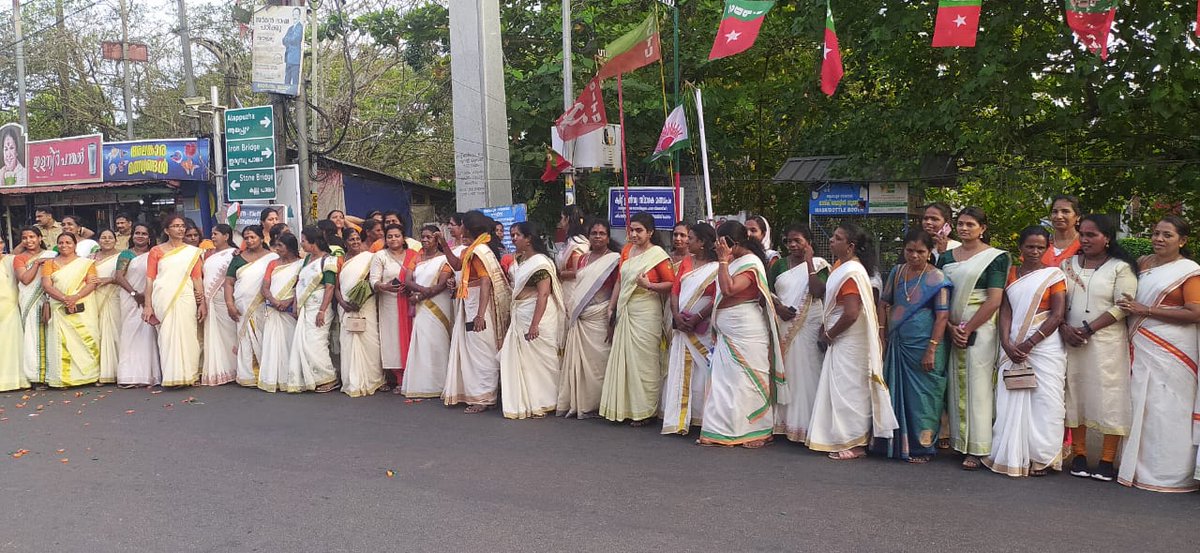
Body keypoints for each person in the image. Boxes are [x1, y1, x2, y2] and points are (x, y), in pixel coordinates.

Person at [1115, 216, 1200, 492]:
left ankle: (1169, 474)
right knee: (1142, 404)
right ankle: (1135, 469)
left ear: (1182, 241)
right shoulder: (1143, 264)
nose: (1159, 239)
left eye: (1167, 235)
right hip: (1140, 344)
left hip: (1173, 349)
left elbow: (1194, 313)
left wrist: (1146, 311)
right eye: (1155, 233)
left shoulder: (1189, 271)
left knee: (1169, 410)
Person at [808, 222, 898, 459]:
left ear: (850, 246)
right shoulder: (842, 267)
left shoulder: (852, 272)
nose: (831, 240)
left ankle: (856, 443)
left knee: (850, 390)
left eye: (837, 238)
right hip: (841, 338)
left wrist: (829, 334)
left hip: (849, 339)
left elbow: (851, 313)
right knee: (841, 388)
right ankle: (841, 438)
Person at [1059, 214, 1139, 482]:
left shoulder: (1121, 268)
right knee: (1075, 393)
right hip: (1071, 341)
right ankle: (1079, 455)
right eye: (1082, 234)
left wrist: (1089, 328)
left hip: (1107, 343)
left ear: (1107, 238)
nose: (1085, 239)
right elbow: (1056, 302)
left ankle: (1107, 460)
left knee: (1110, 397)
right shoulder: (1067, 265)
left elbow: (1123, 306)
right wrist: (1064, 328)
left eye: (1092, 235)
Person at [985, 226, 1067, 477]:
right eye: (1030, 246)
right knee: (1009, 396)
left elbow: (1057, 315)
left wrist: (1029, 343)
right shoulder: (1011, 274)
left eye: (1040, 247)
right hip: (1013, 345)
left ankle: (1042, 458)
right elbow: (1005, 311)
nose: (1034, 251)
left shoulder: (1054, 275)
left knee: (1046, 401)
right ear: (1020, 247)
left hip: (1045, 347)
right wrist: (1007, 344)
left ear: (1047, 248)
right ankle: (1011, 453)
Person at [696, 221, 783, 447]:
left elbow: (729, 289)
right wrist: (725, 261)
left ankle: (755, 431)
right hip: (727, 333)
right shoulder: (734, 262)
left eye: (721, 242)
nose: (717, 246)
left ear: (731, 242)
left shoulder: (751, 263)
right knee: (724, 381)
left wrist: (723, 261)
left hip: (746, 330)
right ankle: (719, 429)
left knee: (745, 382)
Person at [936, 206, 1009, 470]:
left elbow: (994, 299)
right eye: (961, 224)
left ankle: (979, 447)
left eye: (970, 224)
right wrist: (951, 326)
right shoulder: (944, 257)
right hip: (950, 325)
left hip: (981, 327)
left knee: (978, 386)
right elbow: (940, 295)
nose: (965, 229)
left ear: (983, 228)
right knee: (955, 383)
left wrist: (967, 328)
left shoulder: (995, 258)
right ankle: (959, 441)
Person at [877, 230, 952, 463]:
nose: (914, 256)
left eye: (921, 251)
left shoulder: (938, 279)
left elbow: (942, 317)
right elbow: (884, 303)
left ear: (930, 253)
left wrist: (931, 348)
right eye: (910, 250)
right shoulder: (897, 272)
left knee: (924, 397)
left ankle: (923, 447)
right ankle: (895, 444)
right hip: (899, 343)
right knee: (896, 393)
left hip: (926, 346)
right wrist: (881, 333)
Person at [600, 212, 675, 425]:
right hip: (626, 309)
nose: (633, 234)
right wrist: (611, 306)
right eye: (631, 230)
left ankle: (645, 411)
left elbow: (671, 284)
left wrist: (648, 285)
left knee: (644, 362)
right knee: (624, 359)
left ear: (650, 232)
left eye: (639, 230)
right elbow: (619, 282)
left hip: (647, 311)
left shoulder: (658, 255)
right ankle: (623, 408)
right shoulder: (626, 251)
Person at [442, 210, 512, 413]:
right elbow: (456, 265)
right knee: (474, 349)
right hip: (470, 302)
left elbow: (485, 281)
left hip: (478, 305)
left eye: (460, 223)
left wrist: (480, 314)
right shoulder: (474, 248)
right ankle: (478, 393)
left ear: (468, 227)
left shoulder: (479, 251)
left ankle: (484, 398)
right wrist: (443, 244)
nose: (458, 227)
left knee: (481, 350)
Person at [769, 224, 830, 443]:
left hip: (810, 324)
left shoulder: (821, 265)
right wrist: (779, 309)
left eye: (798, 241)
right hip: (784, 323)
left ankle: (809, 425)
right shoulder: (779, 266)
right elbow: (767, 293)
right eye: (789, 241)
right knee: (789, 371)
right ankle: (785, 424)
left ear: (808, 242)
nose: (793, 245)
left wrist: (810, 262)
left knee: (809, 370)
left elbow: (817, 291)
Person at [498, 222, 565, 419]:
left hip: (539, 315)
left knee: (542, 359)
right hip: (521, 312)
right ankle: (529, 399)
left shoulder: (541, 263)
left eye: (517, 235)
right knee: (525, 361)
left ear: (528, 239)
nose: (513, 238)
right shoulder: (520, 260)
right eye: (511, 235)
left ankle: (545, 400)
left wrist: (535, 324)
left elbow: (543, 294)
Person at [558, 219, 621, 419]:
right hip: (581, 315)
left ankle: (601, 403)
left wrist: (612, 313)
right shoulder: (582, 259)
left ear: (608, 237)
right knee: (581, 362)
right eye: (594, 233)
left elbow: (616, 289)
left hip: (601, 314)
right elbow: (579, 286)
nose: (597, 237)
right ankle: (583, 403)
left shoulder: (614, 259)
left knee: (600, 360)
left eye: (602, 233)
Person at [661, 222, 718, 434]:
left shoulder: (719, 266)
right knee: (682, 367)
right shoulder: (686, 262)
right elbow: (675, 290)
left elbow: (717, 297)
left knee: (704, 370)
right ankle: (680, 418)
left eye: (691, 238)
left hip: (703, 325)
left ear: (702, 243)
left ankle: (704, 418)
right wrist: (676, 315)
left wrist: (698, 317)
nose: (686, 241)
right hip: (682, 324)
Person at [143, 214, 206, 387]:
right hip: (162, 297)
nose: (180, 229)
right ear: (166, 230)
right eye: (176, 226)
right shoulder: (156, 251)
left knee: (189, 335)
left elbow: (197, 279)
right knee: (166, 336)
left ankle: (190, 375)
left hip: (185, 297)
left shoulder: (192, 252)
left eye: (182, 226)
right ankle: (171, 376)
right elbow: (149, 279)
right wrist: (148, 305)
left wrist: (202, 303)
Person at [40, 233, 101, 387]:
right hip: (59, 307)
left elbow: (91, 283)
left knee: (86, 339)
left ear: (75, 245)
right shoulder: (50, 263)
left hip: (83, 306)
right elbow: (47, 285)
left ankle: (89, 376)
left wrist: (75, 297)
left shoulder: (86, 263)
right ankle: (63, 378)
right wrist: (64, 298)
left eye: (68, 242)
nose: (64, 245)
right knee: (62, 341)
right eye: (60, 242)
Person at [401, 225, 454, 399]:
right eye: (422, 237)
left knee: (438, 342)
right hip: (422, 303)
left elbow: (441, 284)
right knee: (422, 342)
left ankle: (441, 383)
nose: (424, 240)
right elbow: (407, 280)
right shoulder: (417, 257)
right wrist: (422, 291)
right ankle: (423, 384)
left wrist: (421, 295)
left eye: (429, 237)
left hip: (438, 303)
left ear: (437, 239)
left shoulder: (444, 258)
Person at [287, 227, 340, 393]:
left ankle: (330, 378)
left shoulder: (329, 260)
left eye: (303, 240)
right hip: (305, 306)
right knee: (305, 342)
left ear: (313, 242)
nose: (301, 244)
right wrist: (296, 304)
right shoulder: (307, 259)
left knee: (316, 342)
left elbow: (330, 287)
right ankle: (312, 378)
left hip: (319, 307)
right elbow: (299, 283)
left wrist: (322, 310)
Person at [225, 226, 278, 388]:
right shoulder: (238, 258)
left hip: (265, 306)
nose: (249, 241)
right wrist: (229, 304)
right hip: (242, 305)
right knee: (246, 339)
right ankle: (249, 374)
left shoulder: (273, 257)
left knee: (265, 337)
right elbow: (229, 282)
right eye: (246, 238)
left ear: (262, 238)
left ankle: (268, 373)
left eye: (253, 237)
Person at [335, 228, 385, 397]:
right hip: (346, 306)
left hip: (365, 304)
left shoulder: (370, 258)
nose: (355, 242)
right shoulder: (340, 261)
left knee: (370, 340)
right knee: (348, 341)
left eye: (357, 239)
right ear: (345, 242)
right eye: (351, 240)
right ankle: (352, 380)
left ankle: (374, 379)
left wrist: (360, 300)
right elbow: (336, 287)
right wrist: (342, 302)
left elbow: (374, 281)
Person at [370, 223, 420, 392]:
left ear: (403, 237)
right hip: (390, 303)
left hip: (412, 301)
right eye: (389, 236)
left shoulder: (414, 255)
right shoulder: (380, 256)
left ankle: (415, 376)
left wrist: (411, 286)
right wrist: (384, 287)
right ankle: (400, 378)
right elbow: (373, 280)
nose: (393, 239)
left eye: (397, 236)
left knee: (414, 336)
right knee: (393, 339)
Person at [114, 223, 160, 387]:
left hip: (149, 298)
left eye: (144, 234)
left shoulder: (154, 254)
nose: (140, 236)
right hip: (130, 298)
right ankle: (129, 376)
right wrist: (134, 294)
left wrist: (147, 297)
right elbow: (119, 276)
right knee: (130, 334)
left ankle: (148, 375)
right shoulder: (126, 254)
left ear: (149, 237)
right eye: (137, 233)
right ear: (132, 236)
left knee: (148, 335)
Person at [257, 233, 303, 392]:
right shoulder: (273, 264)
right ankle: (273, 379)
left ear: (290, 247)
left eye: (280, 246)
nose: (277, 249)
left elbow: (300, 287)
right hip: (273, 308)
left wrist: (288, 302)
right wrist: (275, 301)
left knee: (290, 342)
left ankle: (291, 378)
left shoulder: (301, 264)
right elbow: (264, 287)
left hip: (290, 310)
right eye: (276, 245)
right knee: (273, 343)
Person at [15, 227, 54, 387]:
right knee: (31, 336)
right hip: (29, 301)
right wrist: (37, 264)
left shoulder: (51, 255)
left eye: (32, 237)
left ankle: (51, 374)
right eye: (25, 238)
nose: (29, 241)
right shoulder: (19, 258)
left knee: (51, 334)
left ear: (40, 238)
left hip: (49, 299)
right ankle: (35, 375)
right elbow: (25, 279)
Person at [200, 224, 238, 386]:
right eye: (212, 234)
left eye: (216, 234)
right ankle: (221, 370)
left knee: (230, 334)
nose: (213, 237)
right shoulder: (208, 255)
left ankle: (236, 368)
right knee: (215, 334)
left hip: (226, 299)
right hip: (211, 301)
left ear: (226, 236)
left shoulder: (234, 254)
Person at [92, 229, 124, 385]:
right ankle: (103, 372)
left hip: (114, 297)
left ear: (116, 240)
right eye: (103, 237)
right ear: (98, 240)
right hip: (95, 297)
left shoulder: (122, 256)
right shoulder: (91, 258)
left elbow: (126, 278)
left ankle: (120, 372)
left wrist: (110, 279)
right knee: (99, 334)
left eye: (110, 237)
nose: (106, 240)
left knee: (116, 333)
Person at [0, 235, 27, 391]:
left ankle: (13, 380)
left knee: (11, 344)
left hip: (10, 306)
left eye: (1, 242)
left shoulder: (11, 260)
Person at [556, 206, 590, 303]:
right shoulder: (571, 241)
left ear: (567, 219)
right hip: (567, 288)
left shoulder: (577, 243)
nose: (561, 221)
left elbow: (577, 272)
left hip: (573, 289)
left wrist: (559, 274)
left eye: (562, 218)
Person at [1044, 194, 1082, 268]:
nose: (1059, 216)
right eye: (1055, 212)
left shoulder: (1085, 244)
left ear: (1077, 217)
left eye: (1065, 211)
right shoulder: (1041, 242)